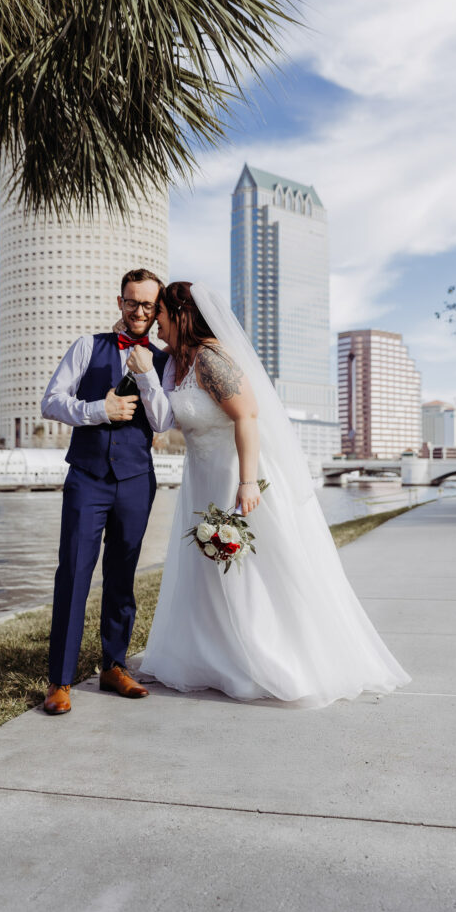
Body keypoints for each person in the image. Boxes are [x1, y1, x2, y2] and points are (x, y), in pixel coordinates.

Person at [126, 281, 411, 707]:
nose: (156, 323)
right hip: (200, 477)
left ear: (181, 315)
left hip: (233, 475)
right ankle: (212, 655)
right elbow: (161, 403)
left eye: (161, 315)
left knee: (247, 570)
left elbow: (248, 416)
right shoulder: (176, 363)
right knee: (207, 570)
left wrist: (245, 481)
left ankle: (261, 655)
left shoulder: (210, 358)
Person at [40, 268, 172, 714]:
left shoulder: (162, 358)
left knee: (123, 575)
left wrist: (148, 375)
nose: (139, 311)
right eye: (132, 302)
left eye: (148, 305)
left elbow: (163, 421)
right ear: (120, 302)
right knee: (74, 573)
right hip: (87, 477)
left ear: (157, 310)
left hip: (136, 480)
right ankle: (60, 680)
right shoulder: (87, 346)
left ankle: (114, 665)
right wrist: (100, 408)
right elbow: (51, 401)